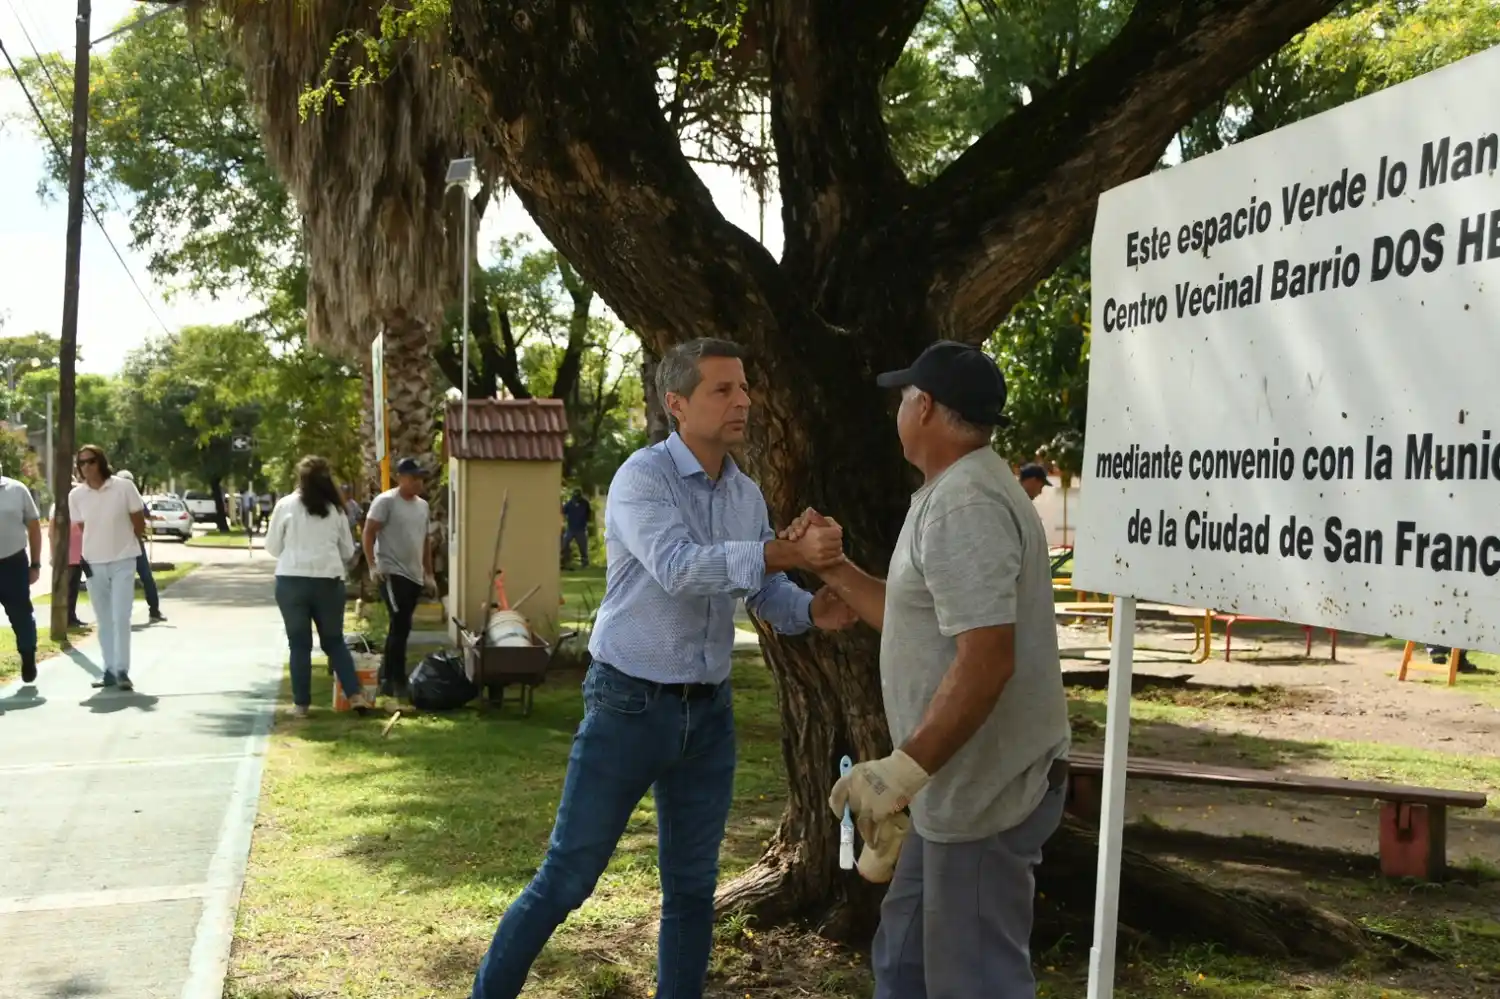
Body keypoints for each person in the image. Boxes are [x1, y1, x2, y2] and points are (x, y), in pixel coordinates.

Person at [471, 338, 858, 999]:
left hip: (708, 715)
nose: (743, 400)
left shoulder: (744, 494)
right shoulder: (642, 479)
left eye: (744, 387)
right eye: (722, 389)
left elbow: (763, 591)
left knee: (691, 890)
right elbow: (680, 568)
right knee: (568, 877)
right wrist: (785, 552)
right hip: (629, 705)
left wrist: (812, 609)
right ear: (676, 404)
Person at [788, 340, 1071, 999]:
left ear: (925, 408)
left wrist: (901, 771)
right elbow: (914, 616)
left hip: (982, 794)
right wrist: (833, 569)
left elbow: (987, 660)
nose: (898, 410)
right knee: (904, 962)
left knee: (975, 982)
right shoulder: (955, 492)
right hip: (949, 792)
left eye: (904, 397)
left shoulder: (966, 504)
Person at [266, 456, 373, 718]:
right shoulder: (336, 510)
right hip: (329, 580)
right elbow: (347, 551)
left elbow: (273, 547)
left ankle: (301, 705)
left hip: (291, 580)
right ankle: (355, 694)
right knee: (334, 641)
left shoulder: (285, 505)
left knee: (299, 644)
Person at [69, 445, 147, 691]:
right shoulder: (76, 495)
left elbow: (138, 521)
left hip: (124, 559)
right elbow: (83, 527)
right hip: (93, 562)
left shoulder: (123, 487)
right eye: (82, 463)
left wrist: (127, 541)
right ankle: (109, 670)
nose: (86, 466)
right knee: (103, 619)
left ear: (101, 462)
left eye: (91, 461)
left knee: (121, 616)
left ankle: (122, 670)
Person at [362, 457, 433, 699]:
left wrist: (429, 573)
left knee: (401, 626)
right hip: (391, 571)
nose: (418, 483)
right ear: (401, 478)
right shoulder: (386, 502)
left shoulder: (423, 506)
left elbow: (425, 540)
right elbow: (369, 533)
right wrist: (373, 566)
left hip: (414, 574)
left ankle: (385, 677)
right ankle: (397, 680)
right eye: (414, 478)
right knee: (400, 623)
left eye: (421, 479)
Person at [0, 468, 42, 683]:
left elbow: (34, 527)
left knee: (21, 615)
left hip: (13, 563)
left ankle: (28, 656)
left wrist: (35, 564)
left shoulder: (17, 489)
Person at [116, 470, 166, 623]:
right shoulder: (114, 500)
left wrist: (151, 519)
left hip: (132, 544)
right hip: (121, 545)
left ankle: (154, 610)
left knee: (145, 577)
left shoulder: (134, 498)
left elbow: (143, 516)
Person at [559, 488, 592, 568]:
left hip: (581, 529)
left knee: (583, 547)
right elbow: (563, 511)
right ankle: (564, 562)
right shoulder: (570, 503)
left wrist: (586, 521)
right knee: (564, 544)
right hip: (571, 528)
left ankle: (585, 563)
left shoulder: (585, 503)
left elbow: (589, 513)